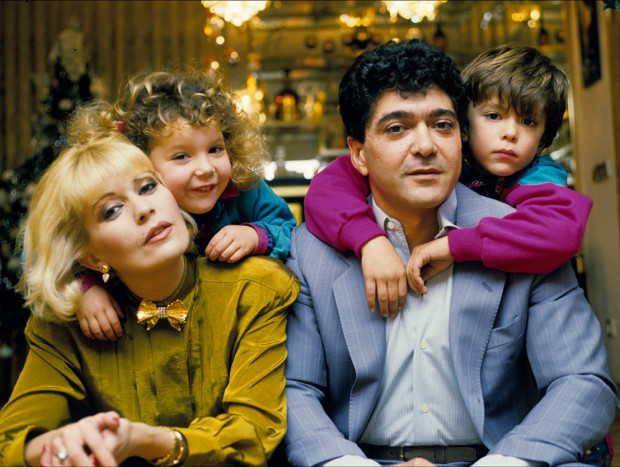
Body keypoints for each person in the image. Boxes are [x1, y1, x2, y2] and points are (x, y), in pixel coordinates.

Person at [282, 39, 618, 466]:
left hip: (499, 457)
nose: (425, 146)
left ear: (461, 135)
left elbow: (582, 381)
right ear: (358, 155)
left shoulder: (521, 233)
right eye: (397, 128)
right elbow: (294, 389)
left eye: (441, 125)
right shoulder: (312, 249)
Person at [0, 104, 299, 466]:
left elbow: (253, 435)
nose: (144, 210)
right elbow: (9, 444)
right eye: (112, 210)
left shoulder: (256, 290)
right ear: (89, 257)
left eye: (147, 187)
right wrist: (55, 445)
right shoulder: (62, 326)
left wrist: (143, 440)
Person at [303, 44, 593, 316]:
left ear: (544, 141)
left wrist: (453, 245)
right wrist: (370, 241)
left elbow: (559, 232)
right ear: (464, 126)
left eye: (528, 122)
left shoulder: (539, 176)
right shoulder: (447, 159)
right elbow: (326, 189)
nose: (510, 133)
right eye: (494, 116)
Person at [77, 67, 297, 341]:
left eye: (215, 149)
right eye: (182, 156)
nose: (205, 168)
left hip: (227, 330)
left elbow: (291, 232)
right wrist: (87, 287)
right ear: (141, 163)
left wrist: (256, 235)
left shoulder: (245, 190)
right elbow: (55, 252)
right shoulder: (130, 210)